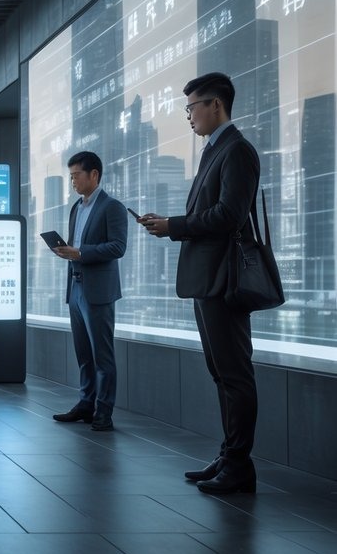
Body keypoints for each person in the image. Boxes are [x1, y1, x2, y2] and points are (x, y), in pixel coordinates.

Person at [138, 72, 261, 494]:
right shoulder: (215, 151)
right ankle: (229, 456)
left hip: (225, 279)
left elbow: (229, 215)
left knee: (235, 373)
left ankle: (240, 465)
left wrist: (174, 226)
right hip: (207, 278)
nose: (188, 116)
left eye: (191, 107)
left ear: (215, 105)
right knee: (221, 373)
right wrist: (172, 224)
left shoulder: (237, 150)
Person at [50, 151, 128, 432]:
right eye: (70, 176)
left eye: (76, 175)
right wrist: (68, 252)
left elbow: (118, 247)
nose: (72, 181)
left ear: (94, 175)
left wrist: (80, 252)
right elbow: (76, 246)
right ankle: (86, 403)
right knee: (83, 353)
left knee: (102, 355)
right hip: (76, 287)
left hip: (98, 291)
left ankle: (104, 411)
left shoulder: (112, 207)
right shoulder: (76, 207)